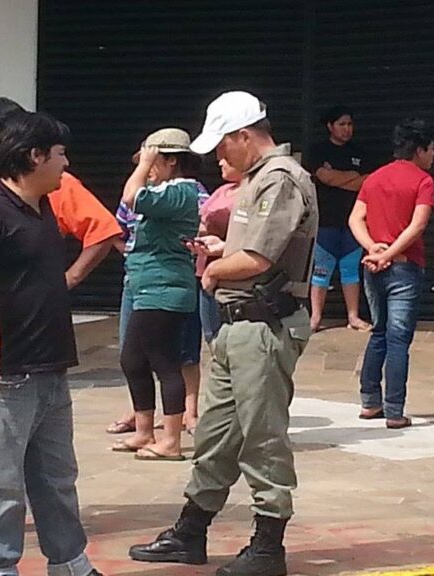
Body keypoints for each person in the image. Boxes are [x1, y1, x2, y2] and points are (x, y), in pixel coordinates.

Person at [128, 91, 318, 576]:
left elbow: (259, 258)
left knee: (262, 437)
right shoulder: (257, 179)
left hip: (263, 325)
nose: (217, 156)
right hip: (239, 326)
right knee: (215, 435)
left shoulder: (280, 179)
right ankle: (190, 531)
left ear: (244, 135)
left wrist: (214, 271)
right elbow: (252, 247)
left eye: (222, 144)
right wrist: (220, 249)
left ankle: (268, 545)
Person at [0, 97, 121, 538]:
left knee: (53, 467)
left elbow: (103, 230)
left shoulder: (49, 195)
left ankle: (66, 558)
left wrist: (66, 280)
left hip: (41, 353)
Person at [113, 128, 201, 461]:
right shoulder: (165, 191)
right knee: (133, 359)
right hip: (147, 287)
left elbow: (131, 198)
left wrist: (142, 166)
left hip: (165, 290)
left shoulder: (181, 191)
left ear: (171, 161)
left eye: (152, 161)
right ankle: (144, 431)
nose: (146, 168)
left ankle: (171, 441)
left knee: (164, 362)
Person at [348, 118, 434, 430]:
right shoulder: (423, 181)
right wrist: (388, 254)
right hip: (404, 266)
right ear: (420, 149)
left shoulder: (374, 178)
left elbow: (355, 218)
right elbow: (417, 225)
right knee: (398, 338)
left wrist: (372, 248)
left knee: (379, 331)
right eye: (431, 149)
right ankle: (395, 410)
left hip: (373, 266)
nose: (433, 155)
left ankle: (370, 401)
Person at [306, 106, 372, 332]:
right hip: (325, 221)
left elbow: (366, 182)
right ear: (330, 126)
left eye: (350, 124)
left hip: (353, 222)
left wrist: (337, 178)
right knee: (321, 270)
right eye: (342, 124)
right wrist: (351, 177)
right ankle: (315, 318)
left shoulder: (361, 152)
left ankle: (353, 317)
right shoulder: (317, 150)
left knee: (350, 269)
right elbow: (324, 177)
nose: (347, 129)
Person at [196, 157, 243, 343]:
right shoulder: (222, 191)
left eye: (227, 159)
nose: (221, 163)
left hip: (231, 274)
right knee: (211, 335)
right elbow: (201, 221)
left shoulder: (251, 193)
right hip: (206, 271)